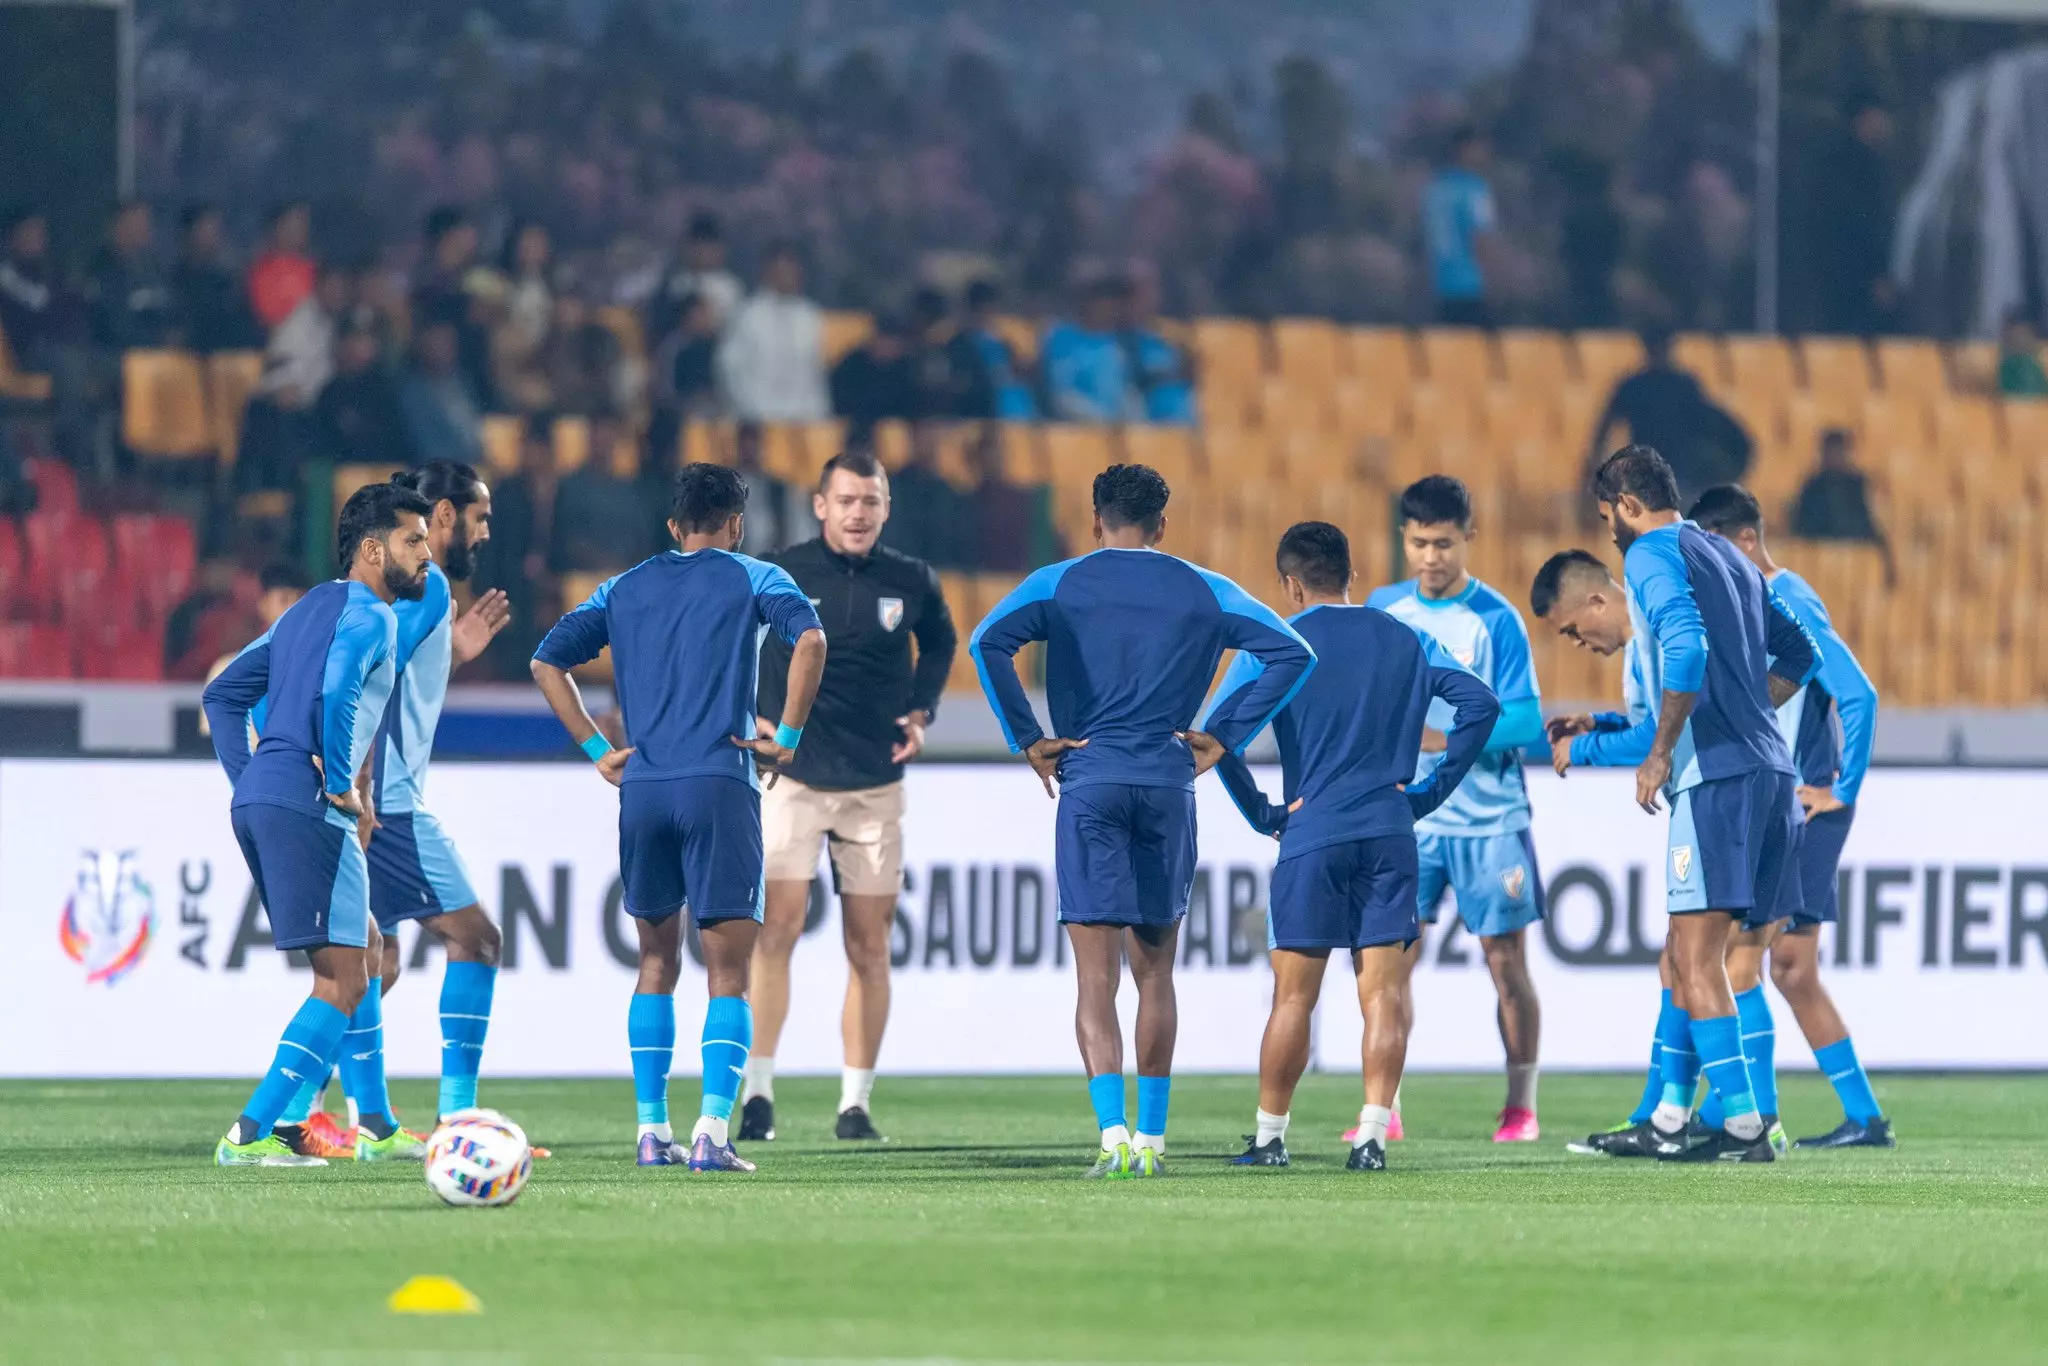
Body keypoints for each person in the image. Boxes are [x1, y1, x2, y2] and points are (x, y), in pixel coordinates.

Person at [968, 463, 1316, 1178]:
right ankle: (1154, 1141)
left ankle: (1114, 1138)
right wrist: (1224, 735)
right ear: (1162, 524)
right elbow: (1292, 653)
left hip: (1090, 779)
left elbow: (987, 643)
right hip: (1166, 783)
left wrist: (1028, 738)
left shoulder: (1058, 582)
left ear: (1096, 519)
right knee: (1155, 974)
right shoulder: (1206, 587)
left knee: (1095, 980)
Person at [530, 463, 827, 1171]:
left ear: (673, 525)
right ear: (737, 524)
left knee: (654, 961)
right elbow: (812, 642)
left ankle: (650, 1129)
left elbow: (546, 661)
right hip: (719, 783)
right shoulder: (757, 577)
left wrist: (597, 750)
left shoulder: (622, 586)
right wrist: (785, 738)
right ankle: (713, 1134)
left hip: (645, 788)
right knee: (728, 972)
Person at [1536, 445, 1817, 1163]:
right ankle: (1668, 1118)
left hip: (1717, 779)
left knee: (1696, 959)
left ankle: (1746, 1127)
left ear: (1629, 506)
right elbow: (1800, 653)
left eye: (1608, 516)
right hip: (1769, 773)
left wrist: (1661, 750)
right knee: (1686, 955)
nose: (1610, 532)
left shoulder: (1650, 554)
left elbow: (1686, 648)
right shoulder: (1726, 554)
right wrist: (1746, 713)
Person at [1201, 522, 1497, 1172]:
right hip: (1390, 832)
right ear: (1351, 576)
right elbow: (1480, 705)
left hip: (1313, 832)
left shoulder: (1278, 643)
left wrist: (1262, 813)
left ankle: (1270, 1139)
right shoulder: (1407, 637)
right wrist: (1428, 793)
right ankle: (1371, 1138)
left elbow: (1216, 736)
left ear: (1291, 584)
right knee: (1383, 995)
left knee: (1293, 998)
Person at [261, 464, 516, 1159]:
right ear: (444, 514)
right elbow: (368, 684)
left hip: (370, 795)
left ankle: (321, 1117)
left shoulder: (404, 594)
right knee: (476, 939)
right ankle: (456, 1120)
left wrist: (452, 651)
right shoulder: (425, 587)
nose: (483, 533)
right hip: (391, 803)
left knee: (377, 960)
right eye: (478, 517)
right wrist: (363, 788)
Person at [199, 481, 434, 1165]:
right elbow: (338, 691)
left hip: (266, 796)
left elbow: (222, 695)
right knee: (342, 981)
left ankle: (377, 1125)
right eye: (413, 540)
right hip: (309, 800)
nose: (425, 554)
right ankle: (252, 1133)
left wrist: (253, 781)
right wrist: (336, 783)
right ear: (372, 550)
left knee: (366, 950)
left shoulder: (305, 610)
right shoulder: (375, 617)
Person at [741, 450, 958, 1144]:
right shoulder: (781, 573)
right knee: (774, 934)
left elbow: (943, 642)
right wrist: (754, 711)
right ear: (820, 506)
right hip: (794, 780)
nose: (858, 513)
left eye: (870, 501)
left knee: (869, 947)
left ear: (886, 508)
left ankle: (855, 1104)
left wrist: (922, 710)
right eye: (846, 500)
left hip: (874, 786)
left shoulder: (911, 579)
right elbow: (732, 641)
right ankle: (757, 1094)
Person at [1687, 485, 1893, 1149]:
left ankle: (1751, 1115)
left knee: (1743, 953)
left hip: (1803, 803)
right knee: (1791, 968)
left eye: (1717, 549)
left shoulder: (1787, 597)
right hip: (1787, 801)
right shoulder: (1755, 601)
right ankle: (1863, 1118)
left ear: (1746, 540)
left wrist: (1841, 789)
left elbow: (1859, 694)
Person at [1366, 476, 1548, 1143]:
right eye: (1419, 542)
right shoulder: (1383, 610)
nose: (1430, 557)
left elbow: (1525, 720)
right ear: (1404, 539)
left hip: (1489, 821)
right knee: (1390, 962)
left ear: (1469, 537)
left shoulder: (1496, 619)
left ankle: (1521, 1107)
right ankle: (1384, 1109)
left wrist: (1441, 738)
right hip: (1408, 819)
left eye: (1443, 543)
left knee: (1505, 963)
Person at [1588, 327, 1751, 508]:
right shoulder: (1639, 387)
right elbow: (1603, 431)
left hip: (1675, 477)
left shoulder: (1676, 386)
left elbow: (1711, 426)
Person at [718, 242, 829, 423]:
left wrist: (817, 415)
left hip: (804, 420)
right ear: (766, 272)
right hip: (754, 419)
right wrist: (750, 413)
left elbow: (815, 373)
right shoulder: (746, 314)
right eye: (780, 270)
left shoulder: (810, 315)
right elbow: (730, 368)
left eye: (791, 269)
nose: (786, 276)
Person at [1789, 428, 1894, 582]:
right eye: (1830, 452)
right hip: (1818, 554)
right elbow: (1800, 525)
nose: (1834, 457)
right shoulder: (1812, 485)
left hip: (1854, 556)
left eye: (1838, 452)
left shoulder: (1858, 485)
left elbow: (1871, 525)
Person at [1423, 125, 1497, 327]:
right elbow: (1481, 238)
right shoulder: (1475, 189)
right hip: (1471, 287)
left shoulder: (1435, 190)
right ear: (1465, 149)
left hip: (1441, 289)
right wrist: (1493, 283)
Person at [315, 321, 414, 466]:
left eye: (369, 340)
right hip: (346, 474)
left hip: (385, 472)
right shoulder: (330, 394)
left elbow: (401, 442)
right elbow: (324, 448)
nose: (364, 347)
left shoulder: (387, 391)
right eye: (357, 340)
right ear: (341, 344)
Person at [1041, 279, 1138, 422]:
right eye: (1102, 300)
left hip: (1116, 430)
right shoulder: (1062, 339)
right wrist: (1104, 420)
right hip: (1073, 428)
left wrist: (1137, 422)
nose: (1109, 308)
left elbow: (1125, 391)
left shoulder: (1114, 343)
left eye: (1112, 301)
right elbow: (1062, 397)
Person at [169, 205, 258, 352]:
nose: (213, 236)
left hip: (224, 357)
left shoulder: (227, 282)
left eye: (215, 229)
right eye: (206, 228)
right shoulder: (173, 281)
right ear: (189, 233)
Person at [85, 200, 171, 351]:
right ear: (117, 227)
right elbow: (113, 325)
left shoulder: (154, 269)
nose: (144, 230)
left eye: (146, 224)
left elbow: (170, 308)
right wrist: (153, 339)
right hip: (115, 355)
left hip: (160, 354)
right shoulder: (101, 271)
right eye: (136, 225)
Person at [399, 321, 486, 468]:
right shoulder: (412, 393)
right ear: (422, 347)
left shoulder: (462, 381)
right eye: (437, 343)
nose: (444, 349)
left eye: (449, 343)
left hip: (477, 467)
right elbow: (427, 447)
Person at [648, 211, 744, 342]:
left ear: (720, 250)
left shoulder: (731, 288)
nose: (702, 253)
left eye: (708, 247)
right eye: (697, 246)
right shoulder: (673, 285)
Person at [829, 314, 917, 445]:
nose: (893, 347)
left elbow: (912, 399)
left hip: (895, 415)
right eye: (889, 341)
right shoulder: (853, 363)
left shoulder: (905, 365)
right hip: (861, 418)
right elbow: (841, 398)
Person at [955, 279, 1037, 419]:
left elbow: (1025, 374)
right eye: (981, 310)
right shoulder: (959, 345)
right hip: (979, 417)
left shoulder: (1007, 341)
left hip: (1017, 414)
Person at [247, 201, 315, 333]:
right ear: (276, 227)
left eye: (303, 225)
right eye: (293, 224)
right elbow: (267, 315)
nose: (300, 231)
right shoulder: (261, 271)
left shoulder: (315, 269)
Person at [0, 208, 56, 367]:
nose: (38, 238)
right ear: (13, 237)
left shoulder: (53, 272)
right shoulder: (6, 275)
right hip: (23, 353)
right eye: (30, 232)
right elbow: (38, 303)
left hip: (64, 347)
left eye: (40, 233)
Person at [1997, 312, 2048, 397]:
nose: (2021, 340)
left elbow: (2043, 390)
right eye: (2017, 336)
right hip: (2014, 403)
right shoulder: (2007, 366)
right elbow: (2006, 393)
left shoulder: (2032, 364)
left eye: (2025, 335)